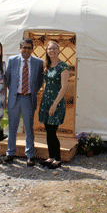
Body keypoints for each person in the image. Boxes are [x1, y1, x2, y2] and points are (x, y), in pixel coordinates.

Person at [4, 39, 44, 167]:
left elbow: (39, 82)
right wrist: (15, 91)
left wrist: (30, 91)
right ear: (20, 48)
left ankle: (30, 155)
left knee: (29, 128)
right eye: (24, 47)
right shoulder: (12, 60)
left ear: (32, 49)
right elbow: (8, 79)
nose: (26, 50)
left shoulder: (38, 62)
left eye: (29, 48)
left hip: (28, 98)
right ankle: (10, 153)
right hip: (15, 98)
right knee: (12, 127)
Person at [39, 41, 69, 169]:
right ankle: (51, 157)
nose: (52, 51)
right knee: (48, 131)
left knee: (52, 131)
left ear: (58, 50)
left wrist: (54, 104)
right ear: (47, 51)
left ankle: (57, 159)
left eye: (54, 48)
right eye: (49, 49)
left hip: (56, 102)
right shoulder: (47, 65)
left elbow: (64, 87)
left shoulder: (63, 66)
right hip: (46, 100)